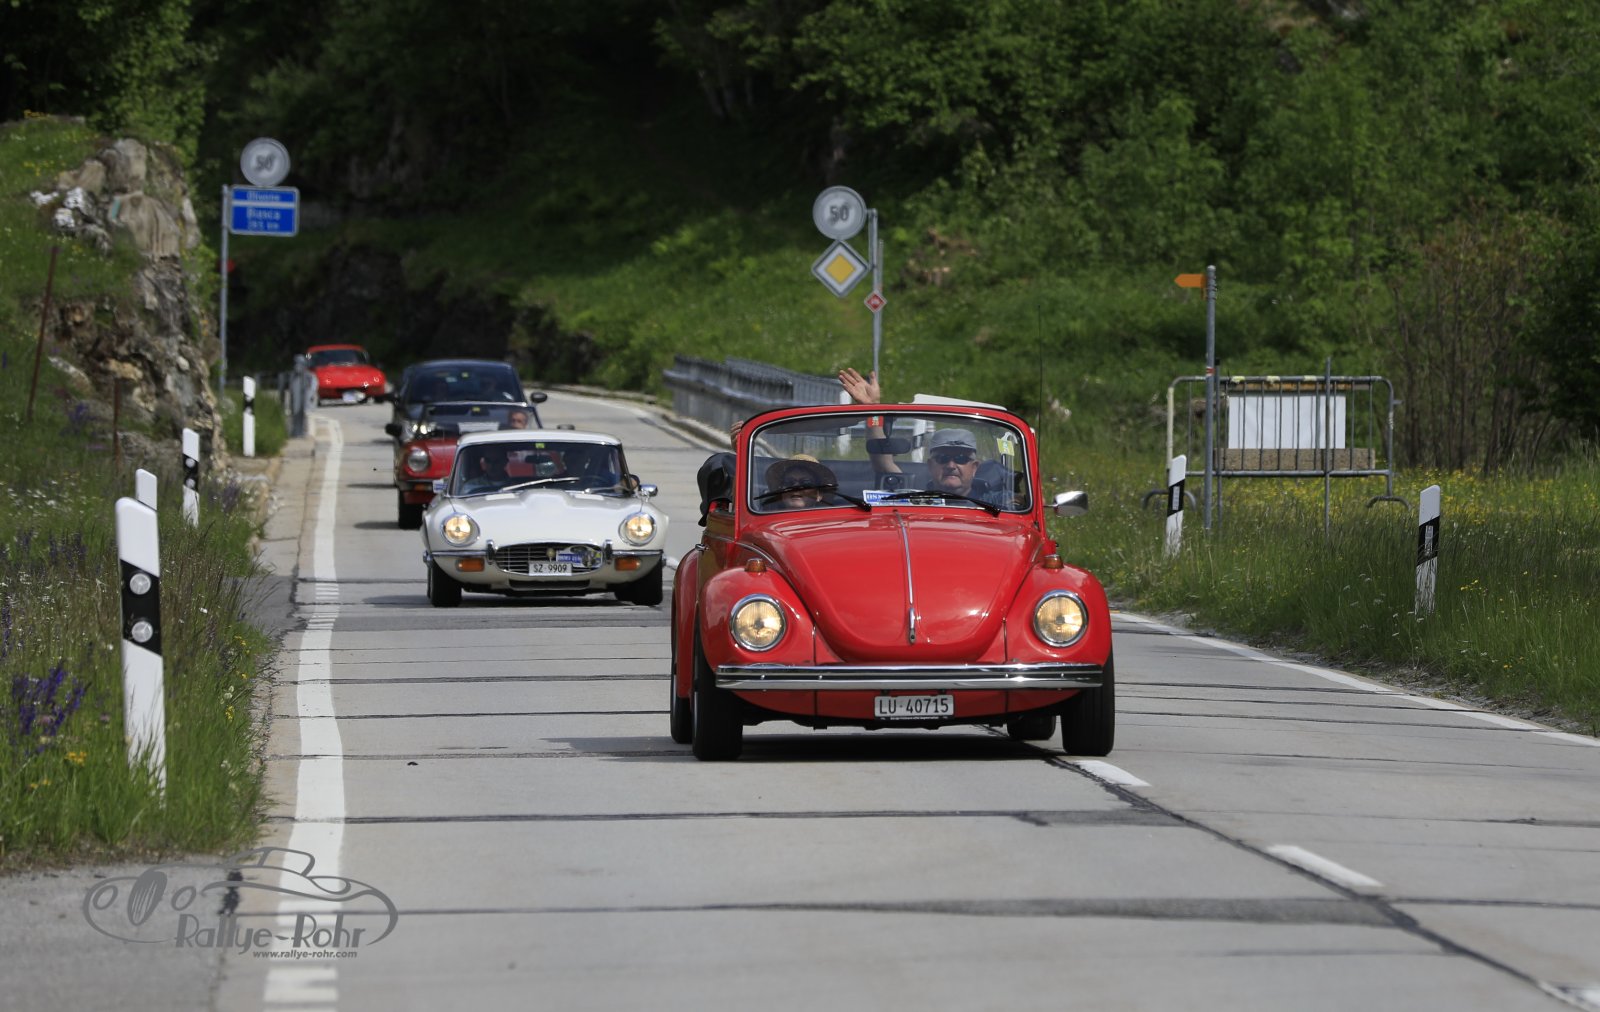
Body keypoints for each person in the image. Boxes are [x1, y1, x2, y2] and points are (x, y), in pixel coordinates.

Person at [838, 366, 1003, 504]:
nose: (951, 465)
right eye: (943, 458)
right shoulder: (915, 498)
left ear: (974, 467)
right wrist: (872, 409)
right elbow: (883, 462)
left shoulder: (996, 502)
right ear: (930, 465)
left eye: (961, 458)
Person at [764, 454, 836, 510]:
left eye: (805, 483)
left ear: (819, 494)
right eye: (789, 482)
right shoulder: (767, 522)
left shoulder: (826, 524)